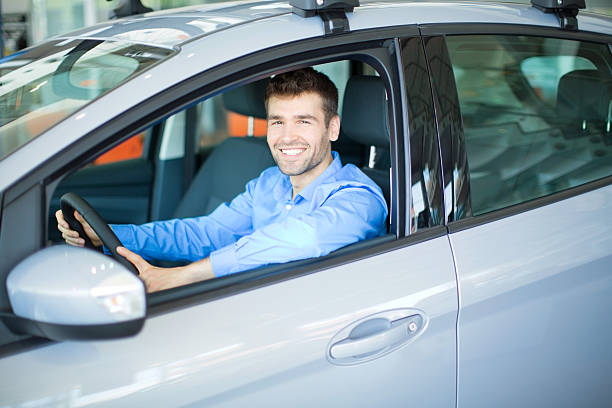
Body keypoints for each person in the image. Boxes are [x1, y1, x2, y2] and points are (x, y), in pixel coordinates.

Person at [56, 68, 388, 292]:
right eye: (277, 122)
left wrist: (178, 277)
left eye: (303, 122)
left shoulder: (359, 198)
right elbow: (208, 233)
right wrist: (112, 236)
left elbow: (305, 239)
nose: (287, 137)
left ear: (332, 128)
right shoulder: (269, 183)